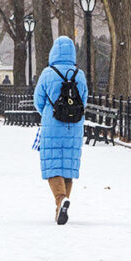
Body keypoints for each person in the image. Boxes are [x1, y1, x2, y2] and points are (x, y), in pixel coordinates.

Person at [33, 36, 88, 225]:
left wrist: (49, 113)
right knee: (68, 167)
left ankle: (60, 200)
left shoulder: (48, 73)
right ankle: (60, 208)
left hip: (52, 124)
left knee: (52, 166)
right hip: (75, 125)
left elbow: (38, 101)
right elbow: (84, 99)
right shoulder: (79, 74)